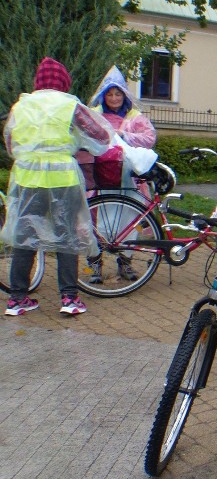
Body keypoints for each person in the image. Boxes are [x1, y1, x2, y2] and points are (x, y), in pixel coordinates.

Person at [2, 57, 113, 316]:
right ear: (63, 82)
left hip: (27, 180)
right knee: (67, 237)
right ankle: (69, 299)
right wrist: (75, 142)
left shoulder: (21, 106)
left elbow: (10, 144)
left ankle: (17, 299)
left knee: (24, 237)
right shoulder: (69, 105)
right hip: (62, 179)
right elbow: (101, 135)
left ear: (38, 82)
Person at [83, 66, 158, 283]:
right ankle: (94, 265)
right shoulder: (94, 115)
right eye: (110, 93)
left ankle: (125, 263)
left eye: (118, 94)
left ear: (124, 95)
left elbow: (149, 138)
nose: (114, 98)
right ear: (103, 95)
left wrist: (122, 135)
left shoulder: (135, 117)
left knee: (129, 221)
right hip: (99, 180)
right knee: (93, 222)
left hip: (128, 181)